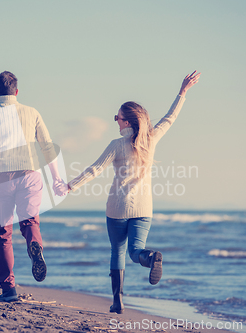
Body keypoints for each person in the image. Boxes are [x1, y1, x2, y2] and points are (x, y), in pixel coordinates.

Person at [64, 71, 200, 314]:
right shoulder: (150, 139)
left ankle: (118, 301)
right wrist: (183, 92)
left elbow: (95, 169)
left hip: (117, 208)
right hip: (144, 209)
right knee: (136, 250)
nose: (115, 120)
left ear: (126, 122)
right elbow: (170, 118)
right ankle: (150, 257)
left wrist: (71, 185)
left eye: (117, 117)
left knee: (118, 252)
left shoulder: (116, 145)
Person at [0, 71, 67, 302]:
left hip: (1, 179)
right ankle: (35, 245)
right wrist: (56, 178)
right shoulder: (32, 112)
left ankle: (9, 290)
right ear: (17, 91)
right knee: (30, 222)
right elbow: (47, 146)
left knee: (4, 235)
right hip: (29, 174)